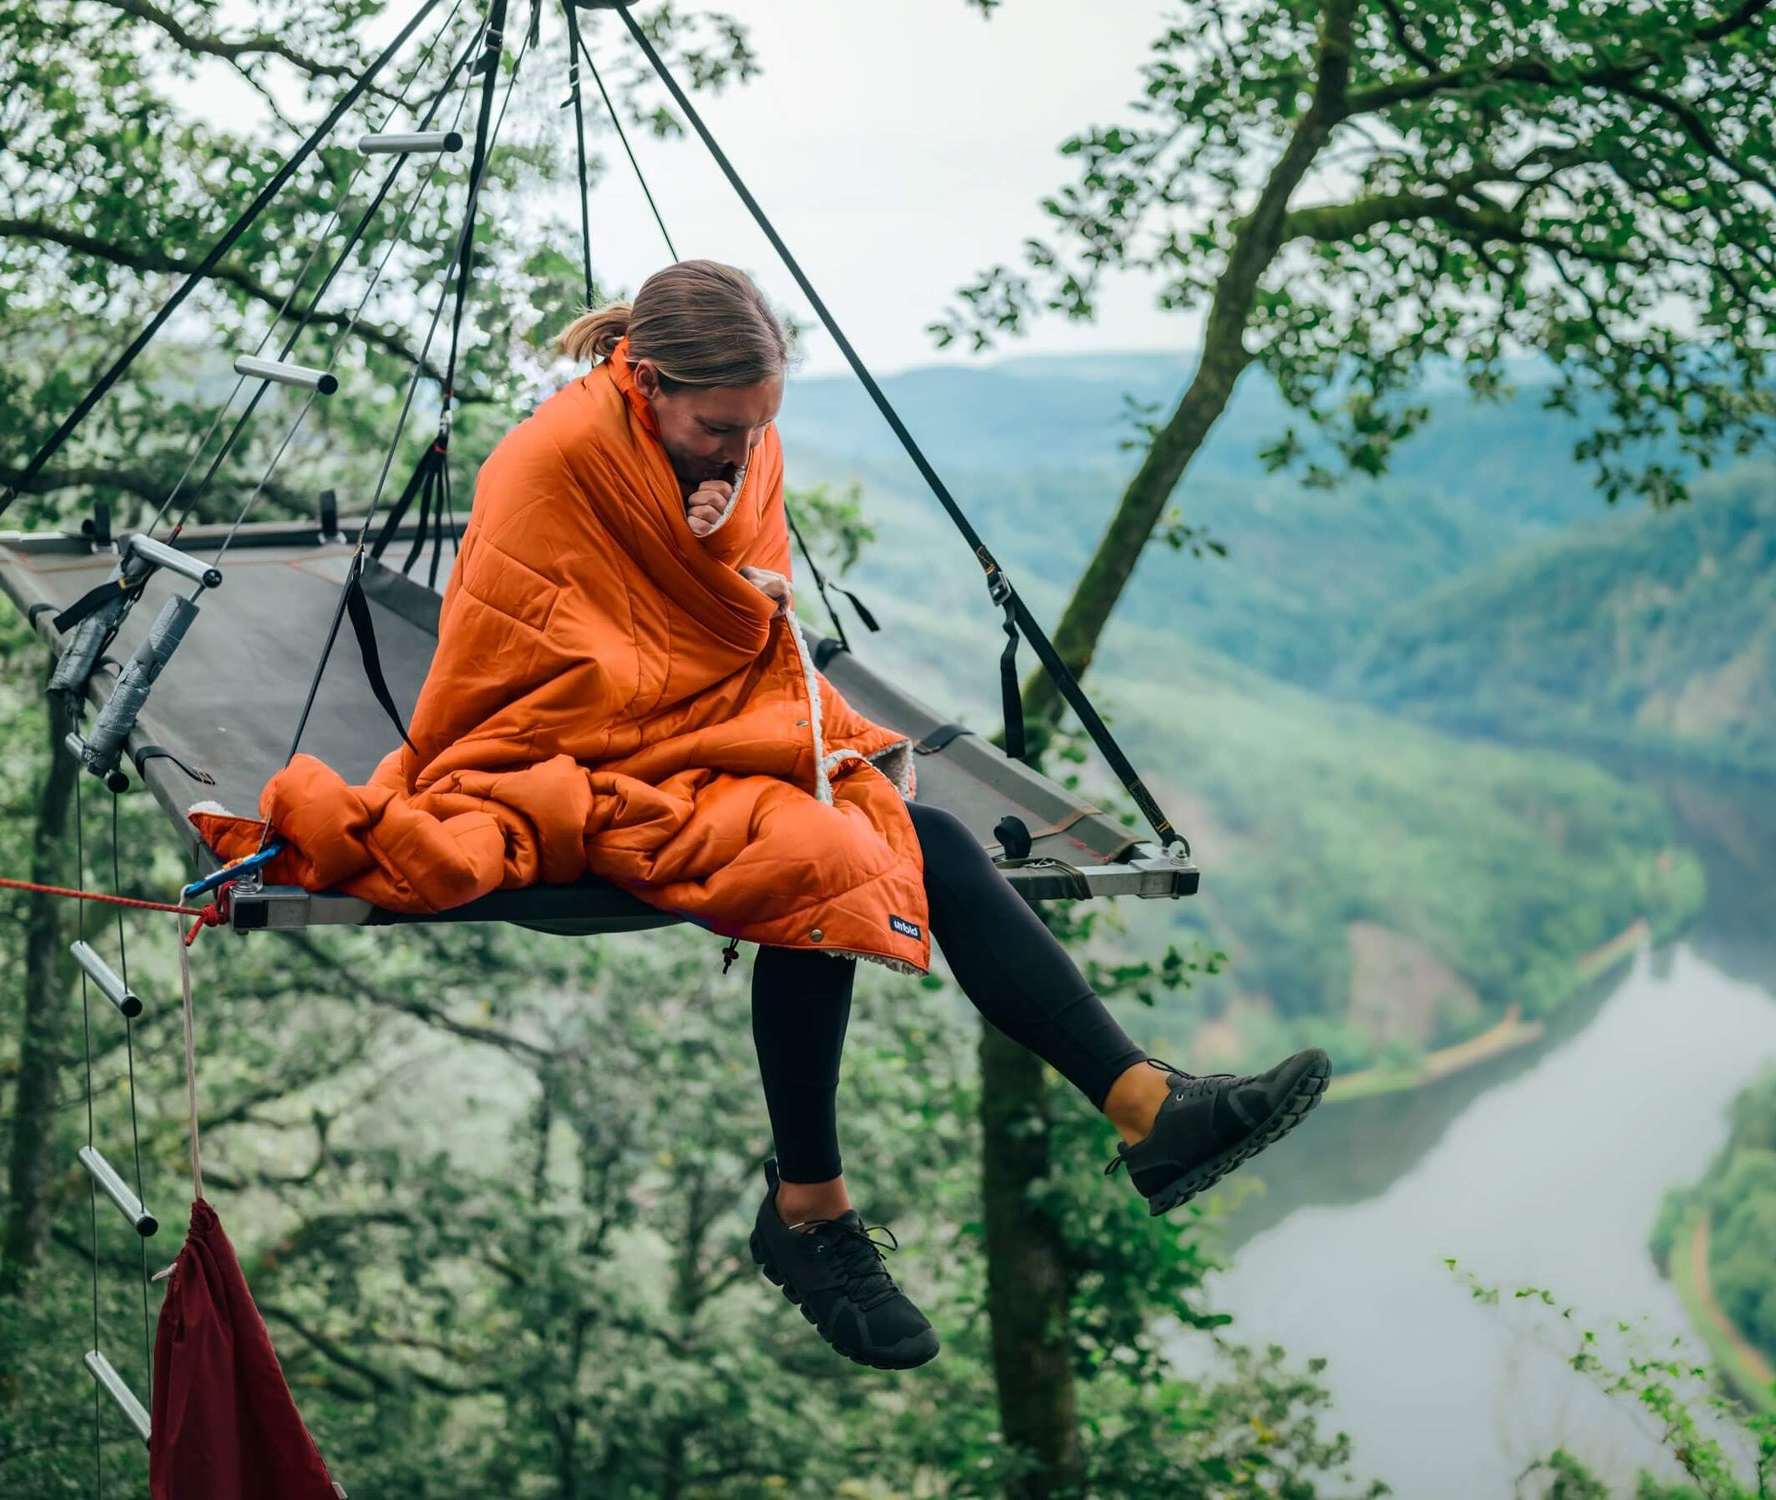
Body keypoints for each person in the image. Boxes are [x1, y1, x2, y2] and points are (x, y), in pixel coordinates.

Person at [549, 261, 1333, 1372]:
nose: (739, 448)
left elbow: (736, 623)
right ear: (646, 382)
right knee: (826, 848)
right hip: (596, 754)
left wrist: (725, 558)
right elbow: (569, 642)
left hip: (709, 733)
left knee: (898, 838)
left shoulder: (716, 461)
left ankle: (1126, 1113)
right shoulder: (559, 459)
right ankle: (838, 1204)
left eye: (757, 428)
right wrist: (707, 579)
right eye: (720, 427)